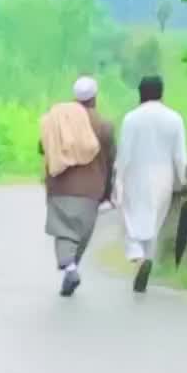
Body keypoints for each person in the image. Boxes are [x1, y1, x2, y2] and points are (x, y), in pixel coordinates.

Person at [39, 76, 116, 296]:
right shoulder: (104, 125)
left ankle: (70, 269)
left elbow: (43, 147)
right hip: (92, 190)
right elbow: (110, 160)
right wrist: (108, 191)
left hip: (61, 187)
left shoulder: (59, 120)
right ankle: (71, 269)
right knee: (82, 235)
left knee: (64, 232)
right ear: (94, 98)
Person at [115, 75, 187, 293]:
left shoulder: (131, 119)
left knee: (130, 219)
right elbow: (180, 156)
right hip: (163, 176)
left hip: (135, 174)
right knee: (154, 221)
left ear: (141, 93)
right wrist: (184, 181)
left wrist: (118, 177)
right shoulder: (174, 119)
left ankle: (138, 257)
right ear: (161, 93)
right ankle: (147, 258)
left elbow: (124, 153)